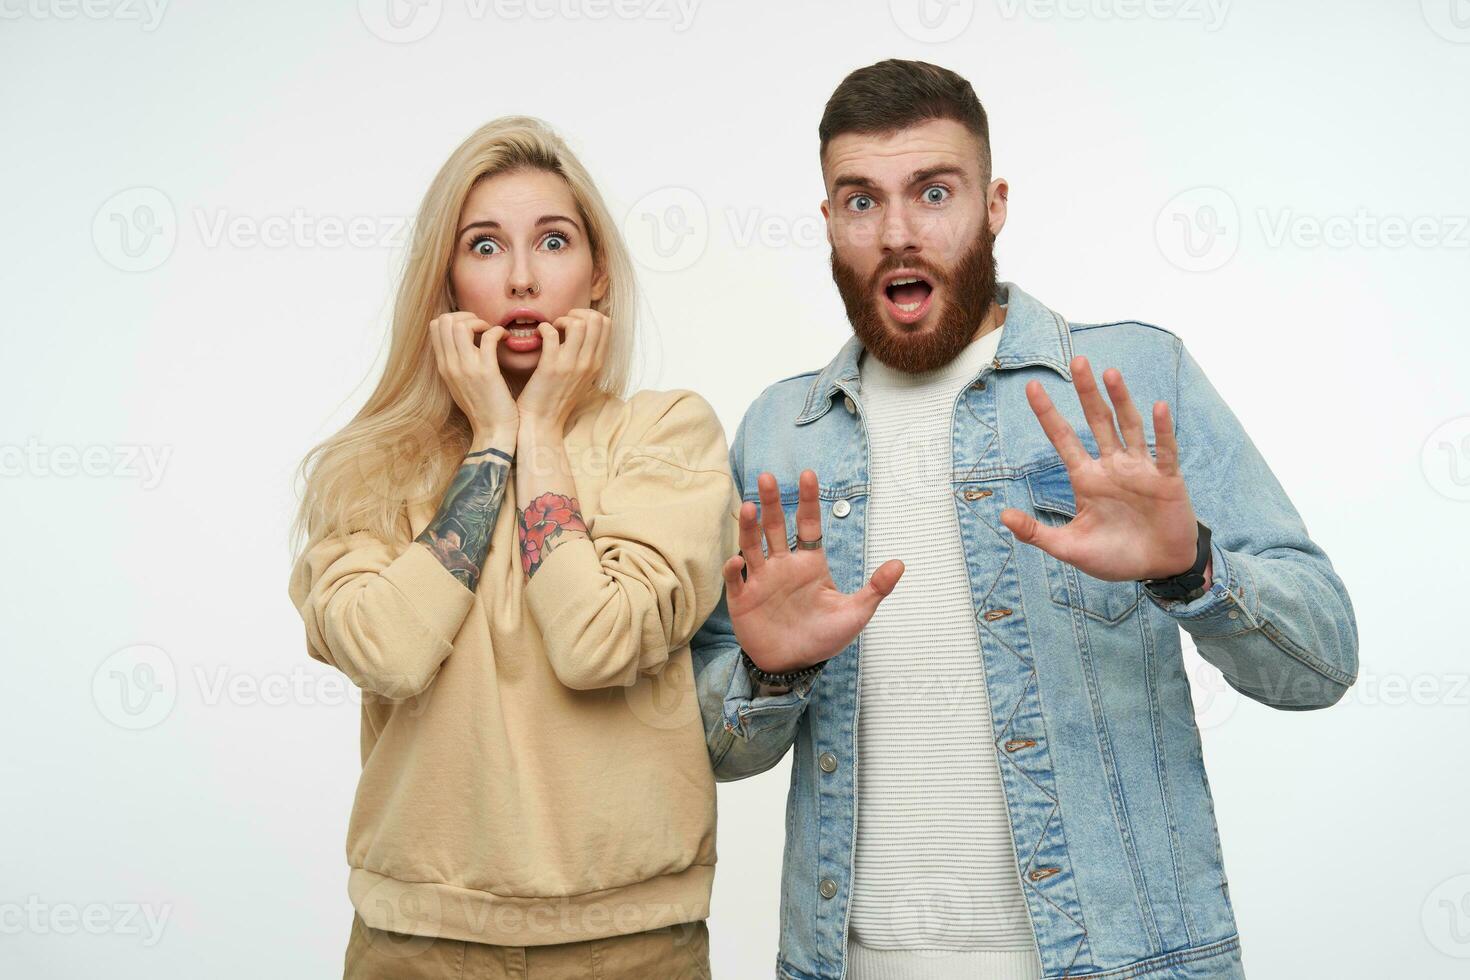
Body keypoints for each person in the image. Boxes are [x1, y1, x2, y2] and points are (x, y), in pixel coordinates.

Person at [693, 60, 1358, 980]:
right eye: (860, 201)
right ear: (828, 221)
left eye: (934, 192)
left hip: (1117, 962)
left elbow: (1323, 662)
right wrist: (769, 675)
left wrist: (1193, 573)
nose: (897, 234)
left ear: (995, 203)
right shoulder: (779, 433)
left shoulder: (1130, 382)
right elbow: (714, 750)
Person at [288, 116, 731, 980]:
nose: (522, 277)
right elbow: (390, 650)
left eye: (553, 242)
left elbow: (596, 641)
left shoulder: (668, 435)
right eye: (485, 247)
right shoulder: (369, 467)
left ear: (598, 275)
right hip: (417, 942)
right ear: (447, 282)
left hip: (632, 943)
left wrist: (541, 433)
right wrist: (495, 437)